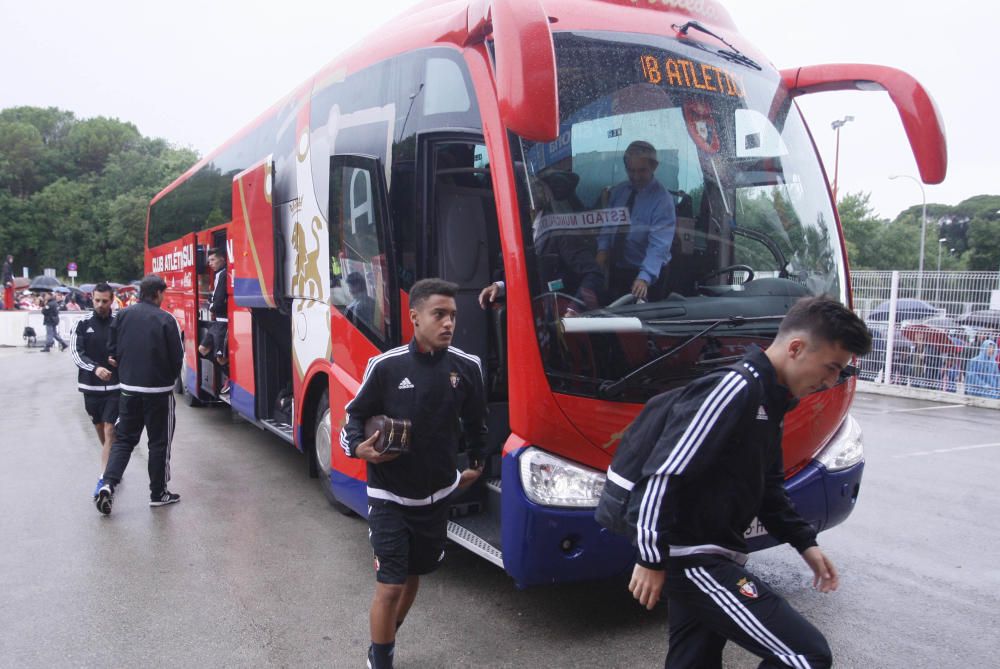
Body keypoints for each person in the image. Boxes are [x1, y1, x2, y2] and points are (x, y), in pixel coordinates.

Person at [627, 296, 871, 668]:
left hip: (715, 553)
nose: (831, 381)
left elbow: (768, 488)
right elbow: (665, 471)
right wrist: (650, 557)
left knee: (693, 660)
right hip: (695, 560)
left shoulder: (770, 401)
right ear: (795, 347)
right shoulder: (733, 390)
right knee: (805, 654)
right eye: (832, 367)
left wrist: (806, 544)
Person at [340, 278, 488, 669]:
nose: (448, 323)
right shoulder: (386, 367)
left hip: (437, 497)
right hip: (389, 497)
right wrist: (357, 447)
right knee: (390, 584)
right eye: (439, 314)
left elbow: (477, 423)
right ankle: (382, 660)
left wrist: (476, 465)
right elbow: (353, 417)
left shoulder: (467, 367)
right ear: (414, 317)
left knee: (413, 577)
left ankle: (384, 638)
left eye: (453, 315)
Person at [94, 274, 184, 515]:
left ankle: (108, 485)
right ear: (157, 294)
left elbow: (111, 351)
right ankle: (158, 493)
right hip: (158, 393)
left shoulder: (122, 315)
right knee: (158, 443)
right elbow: (178, 357)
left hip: (129, 391)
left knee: (123, 441)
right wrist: (169, 379)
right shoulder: (167, 319)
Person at [596, 140, 676, 301]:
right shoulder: (619, 192)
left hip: (649, 273)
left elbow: (659, 245)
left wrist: (645, 277)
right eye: (631, 171)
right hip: (618, 267)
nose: (636, 176)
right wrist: (602, 250)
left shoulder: (662, 200)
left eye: (642, 171)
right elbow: (608, 225)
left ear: (654, 167)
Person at [70, 283, 120, 498]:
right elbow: (76, 353)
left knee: (110, 429)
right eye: (97, 300)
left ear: (112, 300)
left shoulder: (119, 322)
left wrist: (118, 359)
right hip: (90, 386)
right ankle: (110, 463)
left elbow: (127, 347)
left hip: (116, 387)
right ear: (92, 299)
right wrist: (95, 368)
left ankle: (104, 480)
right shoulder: (80, 323)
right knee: (100, 427)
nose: (101, 305)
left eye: (105, 301)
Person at [197, 248, 229, 393]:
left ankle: (230, 378)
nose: (210, 263)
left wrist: (212, 307)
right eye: (209, 261)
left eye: (213, 260)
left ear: (222, 259)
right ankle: (230, 374)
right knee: (202, 349)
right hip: (216, 323)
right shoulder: (217, 274)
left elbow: (220, 300)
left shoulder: (225, 274)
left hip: (223, 322)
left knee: (221, 358)